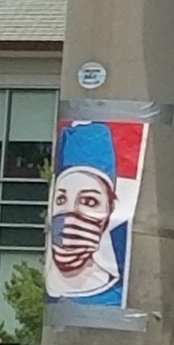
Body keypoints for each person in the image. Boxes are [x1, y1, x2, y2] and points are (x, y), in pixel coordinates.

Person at [46, 122, 124, 304]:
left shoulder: (113, 293)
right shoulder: (53, 291)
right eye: (61, 199)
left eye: (89, 201)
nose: (70, 214)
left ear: (110, 210)